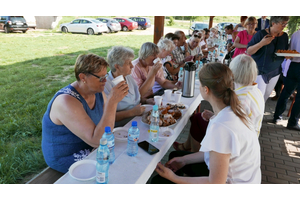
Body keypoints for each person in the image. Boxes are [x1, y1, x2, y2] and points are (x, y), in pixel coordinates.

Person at [152, 62, 261, 184]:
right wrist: (184, 160)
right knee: (176, 156)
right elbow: (216, 153)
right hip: (245, 178)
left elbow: (216, 183)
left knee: (158, 182)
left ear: (206, 90)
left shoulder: (221, 126)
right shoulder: (234, 109)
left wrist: (174, 178)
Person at [42, 54, 129, 173]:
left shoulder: (96, 90)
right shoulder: (66, 101)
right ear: (83, 77)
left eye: (105, 76)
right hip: (68, 155)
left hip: (91, 144)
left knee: (125, 157)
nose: (105, 81)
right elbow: (97, 140)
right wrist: (112, 102)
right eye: (100, 78)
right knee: (111, 170)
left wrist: (112, 102)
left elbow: (106, 127)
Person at [173, 54, 264, 152]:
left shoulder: (241, 100)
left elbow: (229, 125)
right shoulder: (256, 91)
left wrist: (214, 119)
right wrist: (213, 116)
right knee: (198, 118)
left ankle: (194, 153)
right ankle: (187, 148)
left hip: (239, 146)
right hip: (245, 141)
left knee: (197, 120)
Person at [247, 16, 289, 102]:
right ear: (273, 23)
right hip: (260, 70)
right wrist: (261, 43)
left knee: (266, 95)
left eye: (285, 24)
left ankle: (260, 114)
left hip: (275, 71)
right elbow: (249, 51)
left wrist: (287, 55)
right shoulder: (261, 34)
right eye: (282, 23)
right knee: (258, 98)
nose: (284, 26)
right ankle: (254, 114)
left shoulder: (284, 36)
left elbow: (284, 51)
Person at [104, 46, 148, 127]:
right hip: (123, 127)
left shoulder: (128, 76)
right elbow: (105, 117)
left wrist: (147, 101)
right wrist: (132, 112)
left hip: (138, 120)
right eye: (128, 63)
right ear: (117, 66)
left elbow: (134, 99)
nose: (132, 66)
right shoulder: (106, 85)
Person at [272, 29, 300, 131]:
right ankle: (293, 122)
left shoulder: (295, 33)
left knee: (285, 93)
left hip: (293, 66)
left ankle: (277, 117)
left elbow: (289, 49)